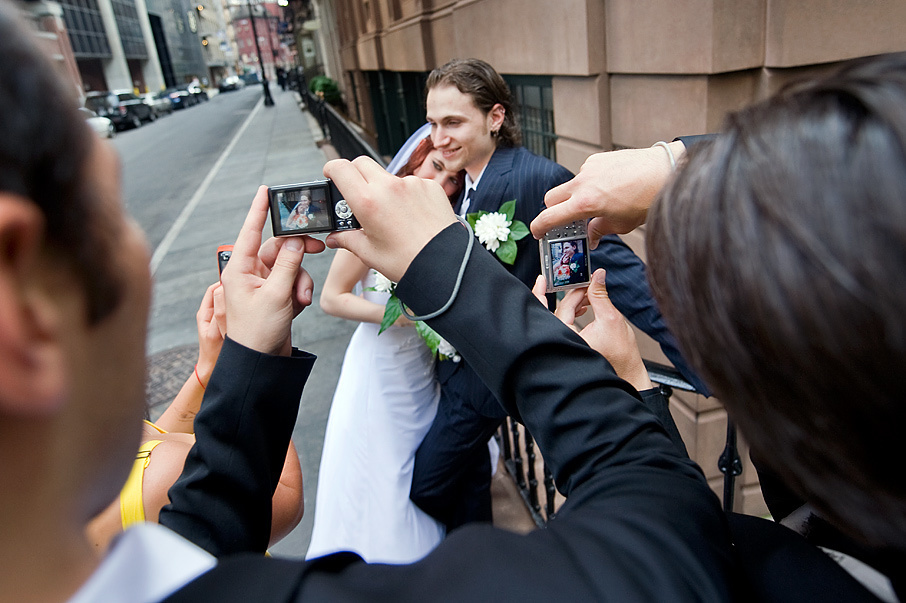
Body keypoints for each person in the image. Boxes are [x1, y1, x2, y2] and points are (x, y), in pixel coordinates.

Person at [409, 57, 706, 533]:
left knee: (427, 483)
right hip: (454, 374)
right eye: (432, 123)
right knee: (465, 487)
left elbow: (624, 277)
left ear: (495, 117)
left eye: (453, 122)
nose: (438, 137)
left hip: (485, 389)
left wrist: (711, 364)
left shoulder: (538, 179)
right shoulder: (458, 181)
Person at [306, 136, 464, 563]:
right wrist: (400, 317)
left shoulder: (445, 227)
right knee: (380, 470)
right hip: (380, 367)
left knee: (414, 466)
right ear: (414, 162)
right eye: (436, 167)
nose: (443, 184)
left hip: (421, 369)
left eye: (454, 179)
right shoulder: (370, 222)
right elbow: (332, 298)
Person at [85, 282, 305, 554]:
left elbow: (152, 440)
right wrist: (259, 356)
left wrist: (208, 369)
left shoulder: (79, 456)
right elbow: (284, 495)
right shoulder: (164, 475)